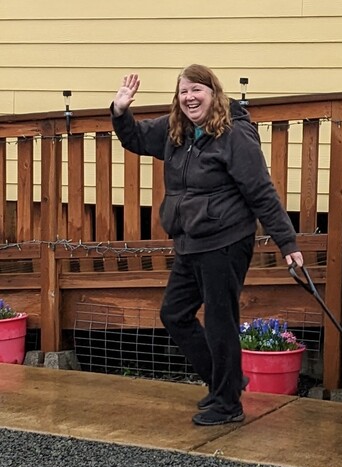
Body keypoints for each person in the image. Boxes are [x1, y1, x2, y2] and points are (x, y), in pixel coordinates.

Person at [111, 64, 303, 426]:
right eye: (184, 92)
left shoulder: (234, 135)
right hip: (190, 241)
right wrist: (121, 111)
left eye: (197, 90)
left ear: (214, 93)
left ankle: (228, 404)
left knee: (220, 321)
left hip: (226, 240)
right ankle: (224, 384)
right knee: (175, 314)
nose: (189, 97)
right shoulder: (176, 131)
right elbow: (134, 138)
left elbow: (260, 190)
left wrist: (286, 241)